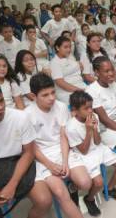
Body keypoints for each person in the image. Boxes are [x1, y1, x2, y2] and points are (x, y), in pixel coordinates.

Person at [0, 80, 52, 218]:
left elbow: (28, 153)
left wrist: (12, 184)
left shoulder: (20, 117)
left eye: (1, 100)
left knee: (44, 200)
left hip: (18, 161)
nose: (0, 107)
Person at [25, 73, 87, 217]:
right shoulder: (26, 115)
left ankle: (73, 186)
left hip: (62, 149)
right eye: (45, 95)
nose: (51, 98)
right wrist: (50, 165)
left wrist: (65, 161)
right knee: (60, 194)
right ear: (34, 97)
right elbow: (32, 147)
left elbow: (63, 136)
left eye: (53, 92)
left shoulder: (61, 107)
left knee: (85, 183)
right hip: (42, 157)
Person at [66, 91, 116, 216]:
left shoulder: (94, 116)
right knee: (98, 183)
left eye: (91, 107)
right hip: (85, 155)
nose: (90, 111)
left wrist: (94, 129)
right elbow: (84, 150)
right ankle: (89, 199)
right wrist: (88, 130)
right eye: (86, 108)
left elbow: (98, 141)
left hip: (98, 148)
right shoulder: (71, 127)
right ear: (75, 110)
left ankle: (109, 189)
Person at [50, 36, 86, 104]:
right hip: (66, 92)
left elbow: (78, 73)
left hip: (80, 85)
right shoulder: (54, 62)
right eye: (65, 47)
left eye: (70, 47)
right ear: (57, 48)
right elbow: (60, 83)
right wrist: (79, 90)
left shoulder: (71, 58)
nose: (69, 49)